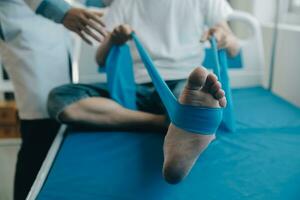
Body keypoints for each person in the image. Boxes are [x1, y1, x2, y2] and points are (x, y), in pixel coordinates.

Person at [47, 0, 240, 184]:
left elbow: (234, 48)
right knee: (61, 98)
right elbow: (101, 59)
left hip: (185, 83)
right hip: (135, 89)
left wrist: (225, 38)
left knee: (193, 93)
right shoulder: (123, 4)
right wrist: (114, 40)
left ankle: (185, 117)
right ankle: (169, 121)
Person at [0, 0, 111, 199]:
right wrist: (61, 11)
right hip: (26, 30)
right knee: (40, 128)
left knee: (53, 131)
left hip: (54, 33)